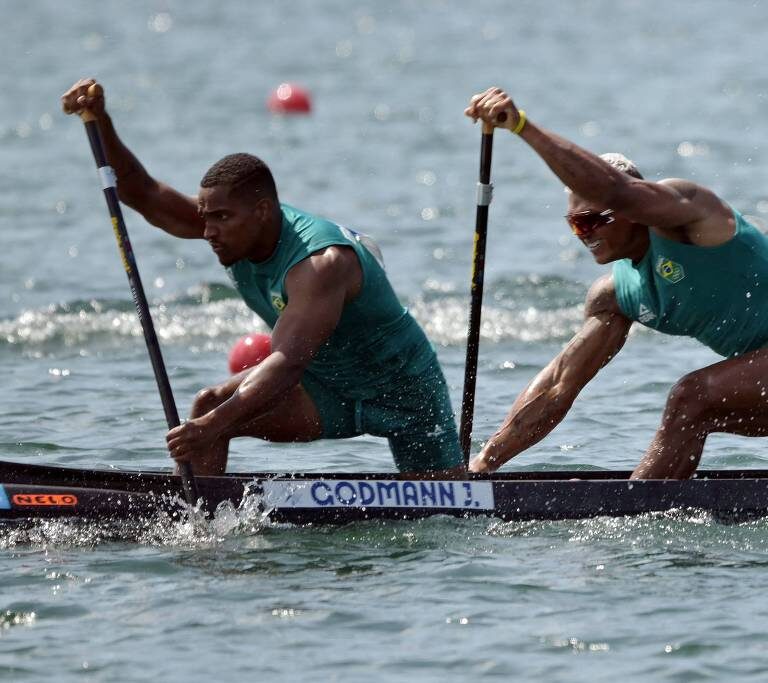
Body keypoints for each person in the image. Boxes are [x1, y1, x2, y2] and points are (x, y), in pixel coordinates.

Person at [62, 78, 465, 479]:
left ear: (262, 211)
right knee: (209, 404)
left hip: (405, 394)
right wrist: (101, 122)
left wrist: (211, 428)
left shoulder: (320, 264)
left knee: (449, 504)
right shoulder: (233, 233)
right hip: (327, 387)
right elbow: (144, 193)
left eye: (221, 218)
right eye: (205, 218)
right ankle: (201, 525)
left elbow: (287, 363)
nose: (207, 232)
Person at [464, 86, 768, 480]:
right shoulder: (616, 296)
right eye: (576, 224)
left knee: (690, 397)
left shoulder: (690, 213)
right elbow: (559, 386)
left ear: (631, 211)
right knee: (694, 413)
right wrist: (482, 465)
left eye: (592, 220)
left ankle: (634, 521)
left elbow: (615, 190)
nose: (585, 234)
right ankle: (653, 516)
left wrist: (522, 127)